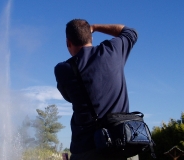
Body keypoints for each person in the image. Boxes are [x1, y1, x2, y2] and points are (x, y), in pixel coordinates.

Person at [54, 19, 138, 160]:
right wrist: (95, 27)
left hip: (86, 148)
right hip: (123, 145)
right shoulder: (113, 51)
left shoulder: (63, 69)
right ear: (91, 38)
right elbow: (130, 31)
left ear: (68, 42)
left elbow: (69, 98)